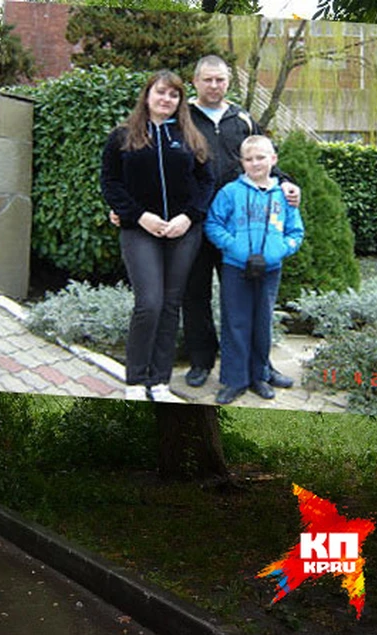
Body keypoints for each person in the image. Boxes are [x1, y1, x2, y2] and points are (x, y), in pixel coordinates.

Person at [181, 55, 301, 389]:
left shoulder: (243, 119)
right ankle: (202, 361)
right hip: (194, 222)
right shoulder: (183, 118)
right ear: (195, 81)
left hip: (241, 229)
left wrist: (287, 183)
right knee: (195, 294)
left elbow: (262, 155)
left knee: (252, 300)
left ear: (228, 82)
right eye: (208, 79)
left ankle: (261, 366)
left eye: (220, 80)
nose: (214, 86)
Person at [101, 69, 214, 403]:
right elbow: (111, 183)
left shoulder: (190, 136)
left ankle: (160, 381)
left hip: (183, 231)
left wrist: (188, 217)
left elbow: (206, 182)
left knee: (170, 304)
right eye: (160, 92)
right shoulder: (123, 136)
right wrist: (140, 216)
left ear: (180, 100)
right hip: (140, 231)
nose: (166, 99)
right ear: (147, 95)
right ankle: (136, 380)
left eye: (173, 94)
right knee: (149, 303)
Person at [203, 135, 304, 404]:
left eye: (261, 157)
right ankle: (235, 380)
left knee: (262, 322)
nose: (255, 163)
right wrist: (235, 247)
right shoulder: (230, 193)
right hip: (236, 268)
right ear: (242, 162)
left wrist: (277, 252)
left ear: (273, 159)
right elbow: (213, 224)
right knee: (236, 322)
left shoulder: (285, 196)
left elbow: (295, 232)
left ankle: (260, 375)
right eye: (249, 159)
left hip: (270, 270)